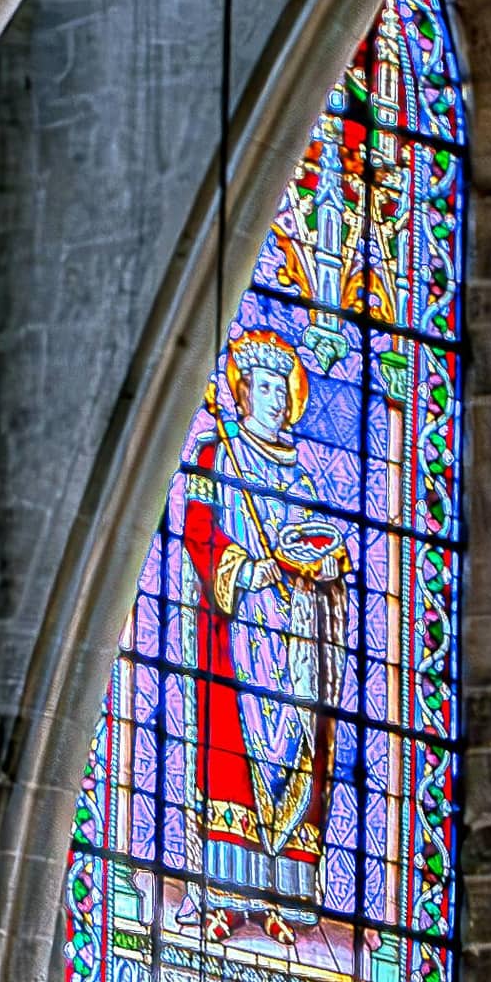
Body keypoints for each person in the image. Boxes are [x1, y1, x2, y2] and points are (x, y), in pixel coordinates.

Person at [179, 324, 348, 940]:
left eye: (284, 387)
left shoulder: (300, 476)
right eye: (265, 385)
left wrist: (326, 564)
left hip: (294, 630)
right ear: (243, 391)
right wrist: (246, 569)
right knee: (229, 756)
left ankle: (283, 899)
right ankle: (224, 897)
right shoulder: (214, 453)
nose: (275, 398)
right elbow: (199, 532)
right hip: (239, 625)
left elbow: (318, 543)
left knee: (297, 755)